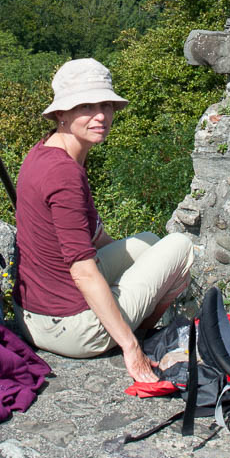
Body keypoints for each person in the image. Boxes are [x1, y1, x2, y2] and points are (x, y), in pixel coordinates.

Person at [13, 58, 194, 383]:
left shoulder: (45, 152)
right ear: (62, 113)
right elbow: (82, 270)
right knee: (180, 246)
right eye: (86, 106)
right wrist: (130, 348)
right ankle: (137, 336)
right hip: (71, 329)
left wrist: (134, 275)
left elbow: (96, 238)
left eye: (106, 105)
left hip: (33, 315)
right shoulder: (64, 173)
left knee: (149, 244)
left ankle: (125, 320)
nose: (101, 116)